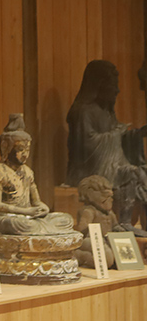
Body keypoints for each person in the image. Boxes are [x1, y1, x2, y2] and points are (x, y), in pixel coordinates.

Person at [66, 60, 147, 233]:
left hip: (112, 162)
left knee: (137, 172)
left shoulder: (107, 111)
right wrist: (117, 134)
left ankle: (126, 221)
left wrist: (136, 134)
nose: (117, 91)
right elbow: (86, 144)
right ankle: (123, 222)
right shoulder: (83, 111)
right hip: (92, 167)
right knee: (128, 173)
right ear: (99, 85)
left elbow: (117, 134)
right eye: (113, 86)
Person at [0, 114, 74, 235]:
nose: (25, 154)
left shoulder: (28, 171)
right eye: (20, 149)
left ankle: (41, 228)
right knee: (23, 225)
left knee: (66, 219)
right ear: (6, 148)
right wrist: (25, 212)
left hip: (28, 216)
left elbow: (36, 202)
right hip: (4, 218)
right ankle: (40, 229)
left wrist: (44, 208)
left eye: (27, 150)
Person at [74, 175, 122, 268]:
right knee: (107, 257)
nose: (111, 200)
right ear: (91, 195)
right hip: (91, 240)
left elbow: (115, 226)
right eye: (106, 197)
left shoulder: (110, 213)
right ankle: (81, 257)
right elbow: (81, 231)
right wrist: (91, 230)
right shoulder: (89, 211)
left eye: (111, 197)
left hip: (106, 240)